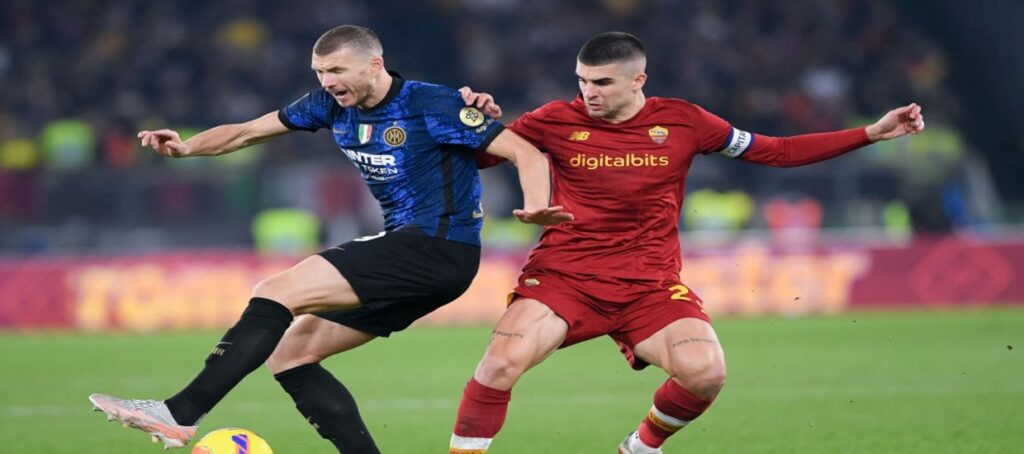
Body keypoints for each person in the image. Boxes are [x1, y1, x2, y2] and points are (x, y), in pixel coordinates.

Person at [88, 25, 572, 452]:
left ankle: (179, 412)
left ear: (374, 65)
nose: (327, 81)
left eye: (337, 70)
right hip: (414, 254)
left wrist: (536, 207)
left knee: (276, 291)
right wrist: (186, 148)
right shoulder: (327, 105)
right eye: (320, 71)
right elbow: (247, 133)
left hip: (436, 247)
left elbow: (526, 152)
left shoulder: (432, 103)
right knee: (290, 354)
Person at [449, 31, 924, 453]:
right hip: (565, 278)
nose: (588, 92)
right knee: (500, 365)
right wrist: (473, 121)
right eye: (583, 81)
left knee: (706, 372)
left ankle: (641, 446)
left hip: (649, 286)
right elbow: (482, 157)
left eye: (602, 82)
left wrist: (870, 133)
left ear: (638, 80)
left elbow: (776, 151)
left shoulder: (684, 122)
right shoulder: (553, 119)